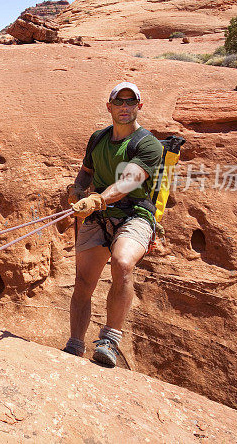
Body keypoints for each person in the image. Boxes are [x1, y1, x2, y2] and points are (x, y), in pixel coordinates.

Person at [63, 81, 164, 367]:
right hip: (100, 216)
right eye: (119, 102)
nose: (124, 107)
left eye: (130, 102)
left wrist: (97, 199)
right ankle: (75, 343)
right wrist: (77, 189)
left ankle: (109, 340)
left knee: (122, 263)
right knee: (84, 281)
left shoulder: (148, 144)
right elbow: (85, 172)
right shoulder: (98, 138)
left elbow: (129, 180)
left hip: (134, 214)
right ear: (109, 107)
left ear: (139, 107)